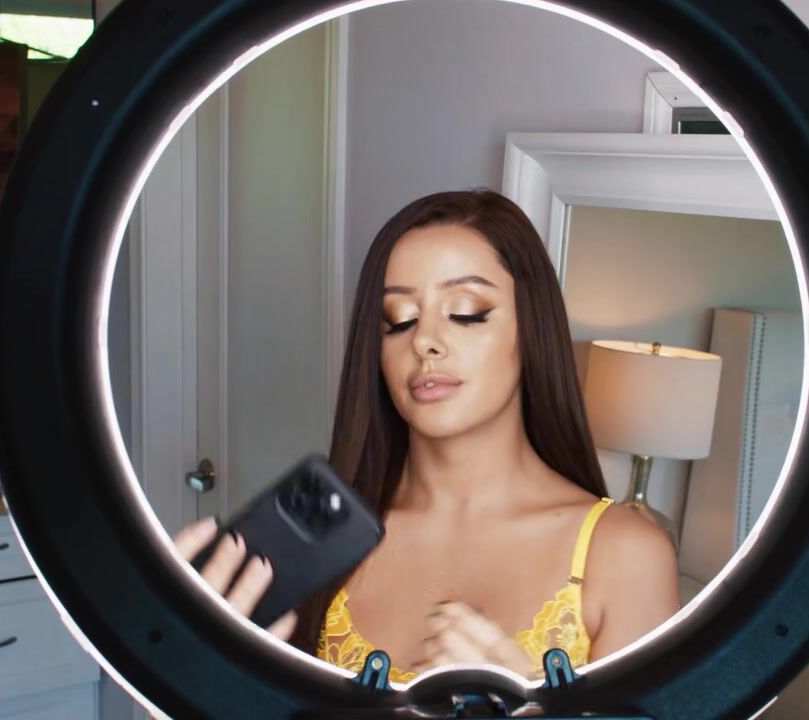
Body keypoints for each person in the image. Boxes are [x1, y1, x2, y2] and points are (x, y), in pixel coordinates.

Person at [188, 189, 680, 683]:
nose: (423, 341)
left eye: (466, 312)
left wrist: (529, 711)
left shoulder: (625, 554)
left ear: (532, 328)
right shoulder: (324, 541)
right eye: (398, 320)